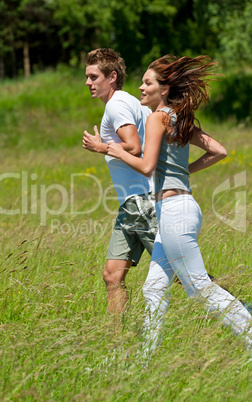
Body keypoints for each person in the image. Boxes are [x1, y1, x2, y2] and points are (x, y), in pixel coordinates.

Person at [106, 55, 252, 353]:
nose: (141, 87)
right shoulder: (178, 118)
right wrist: (185, 171)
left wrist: (114, 151)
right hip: (182, 209)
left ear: (164, 88)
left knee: (199, 286)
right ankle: (142, 361)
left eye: (147, 83)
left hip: (174, 212)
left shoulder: (157, 117)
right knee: (154, 287)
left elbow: (146, 166)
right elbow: (219, 150)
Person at [83, 48, 160, 315]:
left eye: (94, 77)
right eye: (87, 77)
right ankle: (117, 344)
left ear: (112, 76)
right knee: (112, 276)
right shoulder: (128, 100)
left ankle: (241, 310)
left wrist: (101, 147)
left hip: (142, 201)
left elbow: (134, 147)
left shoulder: (116, 106)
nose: (88, 83)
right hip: (131, 204)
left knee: (183, 275)